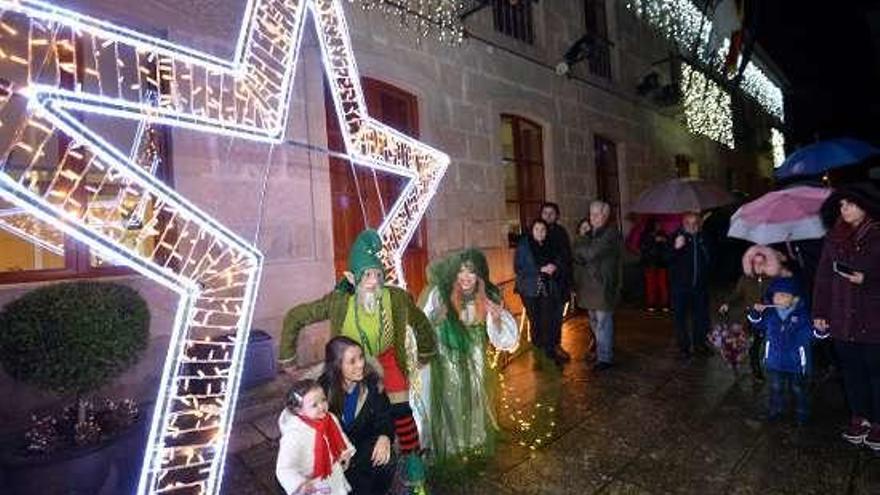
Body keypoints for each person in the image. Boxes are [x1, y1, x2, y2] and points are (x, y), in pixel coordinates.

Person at [279, 229, 436, 485]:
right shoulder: (338, 301)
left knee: (400, 408)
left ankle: (412, 458)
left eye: (377, 274)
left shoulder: (395, 298)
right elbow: (296, 316)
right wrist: (288, 358)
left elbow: (420, 321)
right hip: (347, 363)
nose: (373, 282)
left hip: (384, 358)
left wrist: (426, 351)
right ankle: (332, 458)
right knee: (332, 410)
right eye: (366, 276)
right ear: (352, 278)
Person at [415, 249, 518, 469]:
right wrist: (435, 318)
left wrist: (498, 318)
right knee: (449, 402)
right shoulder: (438, 294)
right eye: (461, 271)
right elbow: (420, 326)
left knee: (473, 400)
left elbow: (504, 340)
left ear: (479, 273)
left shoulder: (488, 295)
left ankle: (471, 444)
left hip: (475, 359)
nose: (465, 277)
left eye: (471, 272)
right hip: (444, 361)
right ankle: (449, 446)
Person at [812, 183, 880, 449]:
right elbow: (823, 278)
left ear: (865, 206)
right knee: (851, 371)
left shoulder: (877, 235)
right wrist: (820, 311)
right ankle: (860, 417)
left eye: (850, 204)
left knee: (876, 371)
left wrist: (868, 279)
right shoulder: (834, 237)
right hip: (843, 318)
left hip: (873, 318)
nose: (845, 209)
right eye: (841, 204)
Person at [318, 337, 395, 495]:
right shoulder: (321, 392)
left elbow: (385, 415)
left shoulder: (372, 384)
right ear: (337, 366)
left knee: (387, 458)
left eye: (361, 357)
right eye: (352, 361)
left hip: (361, 451)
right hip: (334, 459)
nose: (360, 364)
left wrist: (385, 435)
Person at [747, 277, 821, 424]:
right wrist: (755, 313)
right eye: (777, 295)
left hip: (797, 365)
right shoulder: (770, 315)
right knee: (775, 389)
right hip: (775, 363)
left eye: (784, 295)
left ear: (794, 299)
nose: (779, 298)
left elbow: (814, 335)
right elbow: (756, 324)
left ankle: (802, 415)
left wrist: (820, 330)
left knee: (798, 390)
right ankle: (775, 411)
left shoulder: (803, 317)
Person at [276, 379, 356, 495]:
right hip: (310, 483)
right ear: (299, 411)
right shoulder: (294, 435)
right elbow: (284, 468)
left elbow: (340, 436)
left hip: (332, 473)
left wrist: (345, 452)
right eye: (314, 405)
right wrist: (300, 484)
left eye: (323, 400)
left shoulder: (330, 419)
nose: (322, 406)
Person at [573, 201, 622, 371]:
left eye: (596, 214)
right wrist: (583, 246)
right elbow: (578, 255)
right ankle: (602, 352)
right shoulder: (591, 234)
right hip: (588, 287)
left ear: (605, 216)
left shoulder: (610, 234)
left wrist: (581, 241)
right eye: (591, 213)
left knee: (603, 322)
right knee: (594, 321)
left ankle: (605, 358)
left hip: (602, 286)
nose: (592, 217)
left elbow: (589, 253)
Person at [515, 219, 566, 366]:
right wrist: (540, 270)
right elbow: (519, 268)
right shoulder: (524, 245)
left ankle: (549, 350)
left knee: (547, 319)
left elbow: (559, 260)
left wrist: (554, 266)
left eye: (543, 229)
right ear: (532, 230)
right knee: (535, 320)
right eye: (537, 229)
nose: (540, 232)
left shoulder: (550, 244)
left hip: (546, 287)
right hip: (529, 288)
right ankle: (538, 348)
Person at [668, 212, 712, 359]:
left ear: (699, 224)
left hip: (700, 286)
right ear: (683, 223)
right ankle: (683, 347)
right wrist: (676, 248)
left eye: (695, 223)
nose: (692, 226)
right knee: (680, 318)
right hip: (680, 286)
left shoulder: (704, 237)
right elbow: (667, 259)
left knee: (701, 317)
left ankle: (700, 345)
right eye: (689, 223)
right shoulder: (676, 236)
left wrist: (703, 247)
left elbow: (711, 258)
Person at [540, 202, 573, 362]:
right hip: (542, 284)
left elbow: (566, 255)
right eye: (545, 212)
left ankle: (556, 345)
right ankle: (544, 349)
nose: (548, 215)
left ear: (557, 215)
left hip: (558, 282)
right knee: (543, 318)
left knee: (557, 317)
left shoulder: (561, 232)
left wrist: (556, 266)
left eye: (551, 213)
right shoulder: (537, 230)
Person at [639, 217, 670, 312]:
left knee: (662, 284)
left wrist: (664, 241)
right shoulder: (646, 236)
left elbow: (668, 247)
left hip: (661, 263)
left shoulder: (663, 235)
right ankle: (651, 303)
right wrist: (653, 240)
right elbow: (643, 248)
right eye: (657, 224)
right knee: (651, 284)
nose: (659, 226)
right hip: (651, 263)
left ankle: (664, 303)